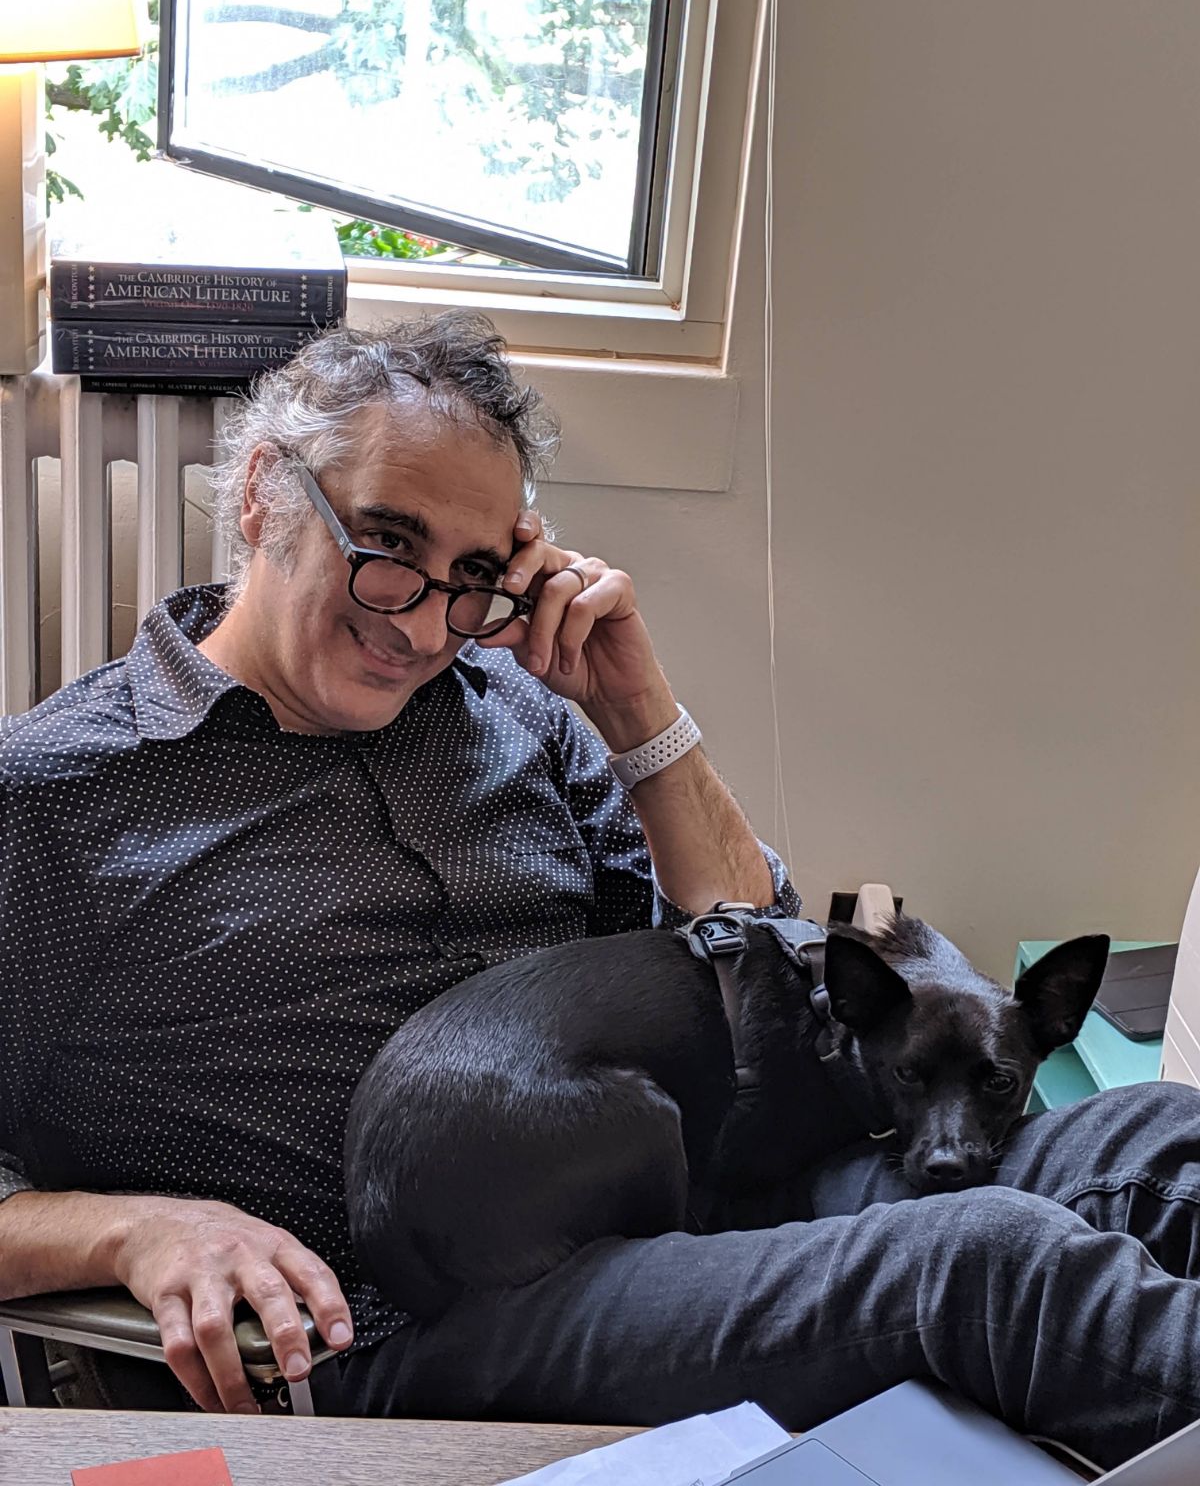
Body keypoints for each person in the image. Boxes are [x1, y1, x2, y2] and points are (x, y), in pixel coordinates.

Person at [0, 313, 1198, 1470]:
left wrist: (637, 715)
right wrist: (134, 1227)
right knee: (991, 1267)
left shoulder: (517, 714)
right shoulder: (56, 801)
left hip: (701, 1183)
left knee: (1160, 1140)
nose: (425, 626)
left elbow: (754, 960)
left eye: (474, 575)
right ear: (263, 494)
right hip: (418, 1315)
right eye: (388, 545)